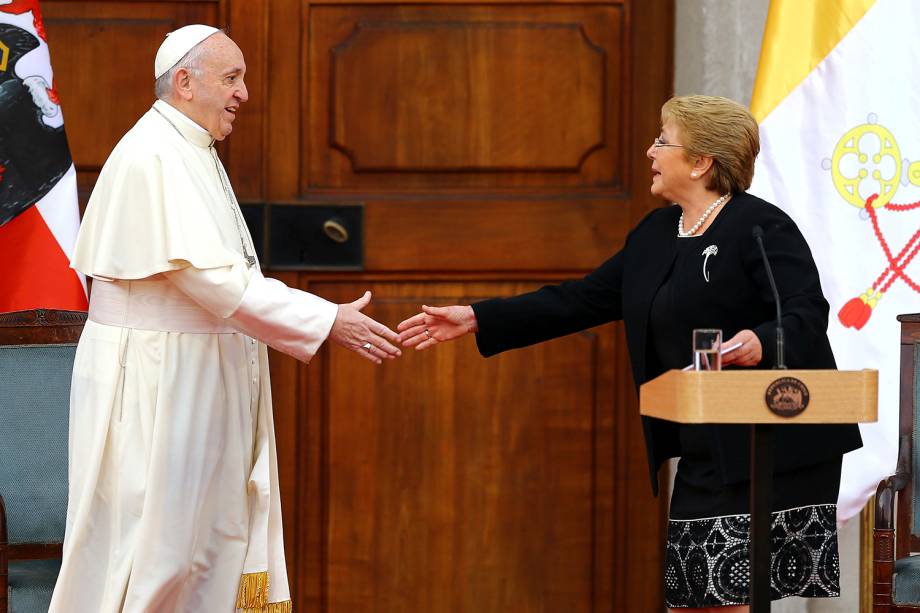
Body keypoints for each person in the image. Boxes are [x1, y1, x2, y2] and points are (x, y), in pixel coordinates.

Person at [397, 95, 863, 611]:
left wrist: (761, 339)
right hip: (703, 444)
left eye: (663, 141)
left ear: (701, 161)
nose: (650, 151)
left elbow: (804, 310)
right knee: (693, 598)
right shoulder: (655, 233)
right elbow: (583, 299)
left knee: (730, 599)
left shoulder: (760, 226)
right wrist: (479, 317)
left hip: (771, 444)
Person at [48, 25, 401, 613]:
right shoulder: (154, 155)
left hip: (189, 373)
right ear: (184, 83)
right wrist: (325, 319)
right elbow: (211, 280)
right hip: (156, 380)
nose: (244, 94)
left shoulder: (188, 148)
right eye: (231, 78)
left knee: (196, 550)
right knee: (154, 553)